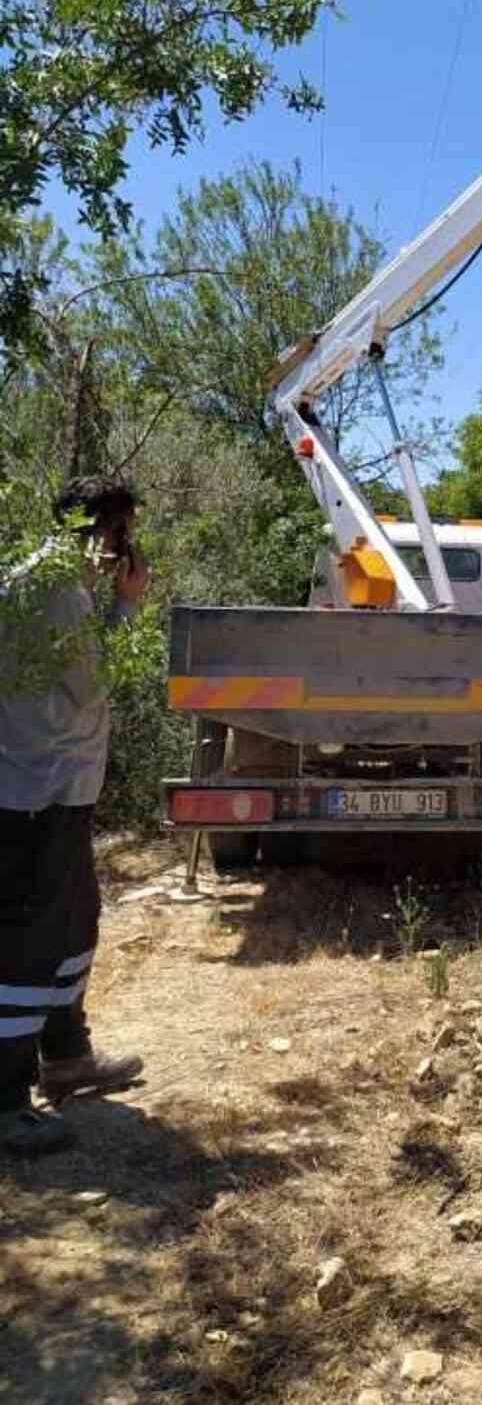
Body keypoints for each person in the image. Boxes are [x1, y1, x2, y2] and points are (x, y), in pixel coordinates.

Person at [0, 475, 150, 1156]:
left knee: (76, 918)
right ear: (103, 532)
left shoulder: (57, 582)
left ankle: (66, 1057)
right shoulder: (57, 592)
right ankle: (7, 1100)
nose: (127, 550)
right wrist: (129, 608)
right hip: (36, 793)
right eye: (124, 535)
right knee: (32, 938)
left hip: (58, 788)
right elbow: (98, 685)